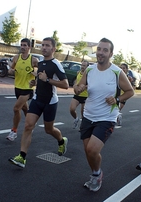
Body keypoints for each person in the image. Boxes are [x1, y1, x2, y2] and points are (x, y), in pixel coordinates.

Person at [74, 38, 134, 192]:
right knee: (88, 150)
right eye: (99, 49)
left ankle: (97, 174)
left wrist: (117, 99)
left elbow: (130, 91)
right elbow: (78, 86)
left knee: (93, 150)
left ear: (111, 53)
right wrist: (78, 89)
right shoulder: (89, 70)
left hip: (106, 118)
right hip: (88, 115)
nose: (101, 52)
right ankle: (96, 173)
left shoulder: (116, 72)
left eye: (105, 50)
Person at [9, 37, 69, 168]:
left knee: (49, 129)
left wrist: (47, 80)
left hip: (50, 101)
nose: (44, 48)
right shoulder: (41, 63)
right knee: (28, 126)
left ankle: (61, 140)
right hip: (37, 99)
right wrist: (35, 82)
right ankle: (22, 157)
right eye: (42, 45)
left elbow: (65, 84)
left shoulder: (56, 64)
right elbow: (41, 79)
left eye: (47, 46)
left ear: (53, 49)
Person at [6, 38, 39, 141]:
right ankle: (31, 124)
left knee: (16, 109)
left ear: (29, 47)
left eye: (25, 45)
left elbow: (41, 73)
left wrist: (36, 75)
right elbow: (11, 70)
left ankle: (14, 131)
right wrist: (10, 71)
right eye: (21, 45)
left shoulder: (34, 60)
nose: (22, 47)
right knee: (25, 109)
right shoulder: (16, 58)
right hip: (17, 87)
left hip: (27, 89)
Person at [70, 60, 90, 129]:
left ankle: (83, 125)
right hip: (77, 94)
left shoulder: (89, 75)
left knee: (83, 113)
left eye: (84, 66)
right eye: (82, 65)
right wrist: (75, 85)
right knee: (72, 109)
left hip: (85, 96)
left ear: (87, 67)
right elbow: (76, 81)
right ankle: (76, 119)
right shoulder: (78, 72)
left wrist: (85, 87)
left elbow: (91, 84)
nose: (82, 67)